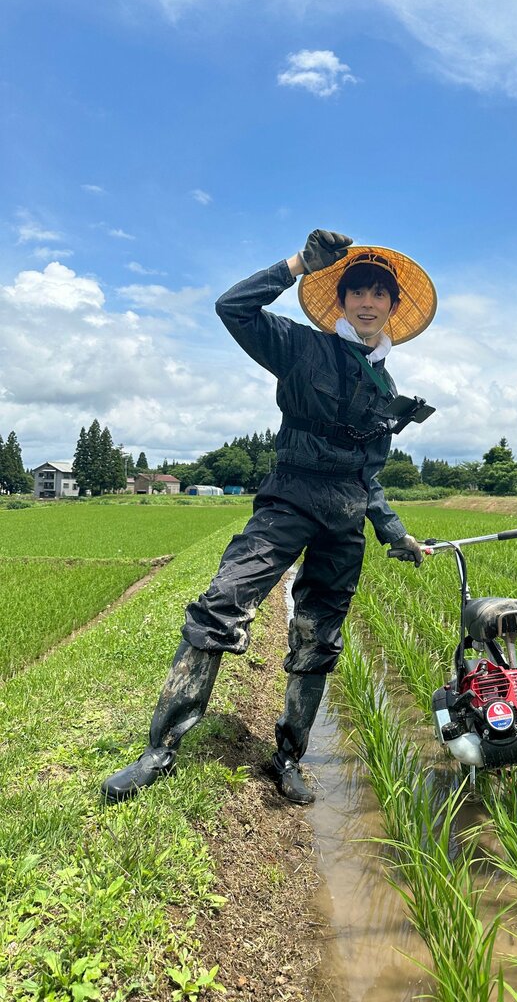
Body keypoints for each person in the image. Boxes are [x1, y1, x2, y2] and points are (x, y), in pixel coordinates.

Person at [101, 229, 437, 805]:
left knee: (318, 638)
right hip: (288, 498)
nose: (367, 301)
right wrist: (297, 264)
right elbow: (232, 307)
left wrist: (396, 534)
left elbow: (370, 475)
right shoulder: (301, 346)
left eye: (379, 293)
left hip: (344, 524)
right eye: (357, 289)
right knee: (222, 603)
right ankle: (161, 748)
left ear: (392, 306)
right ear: (339, 298)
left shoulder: (388, 387)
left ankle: (288, 757)